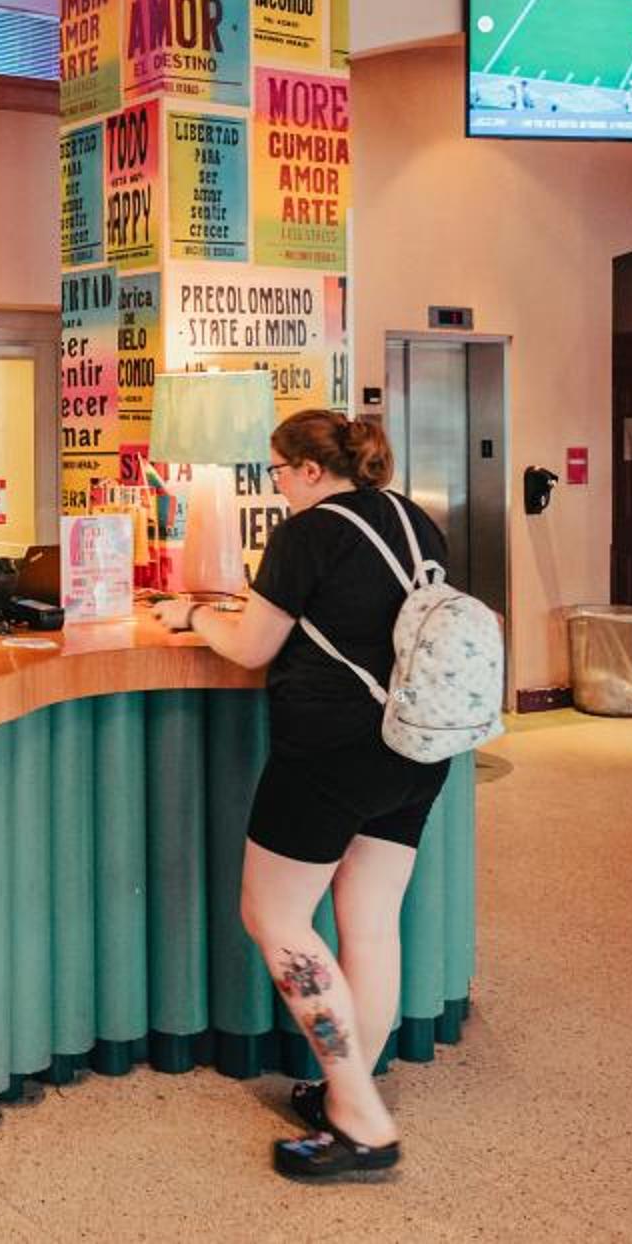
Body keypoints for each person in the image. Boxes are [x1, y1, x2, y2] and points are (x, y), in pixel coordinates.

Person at [153, 409, 452, 1183]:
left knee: (275, 917)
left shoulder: (308, 533)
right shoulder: (414, 520)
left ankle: (362, 1122)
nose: (278, 483)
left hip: (330, 752)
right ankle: (350, 1092)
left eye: (280, 471)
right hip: (415, 745)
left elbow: (251, 646)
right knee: (370, 921)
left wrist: (193, 614)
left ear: (312, 471)